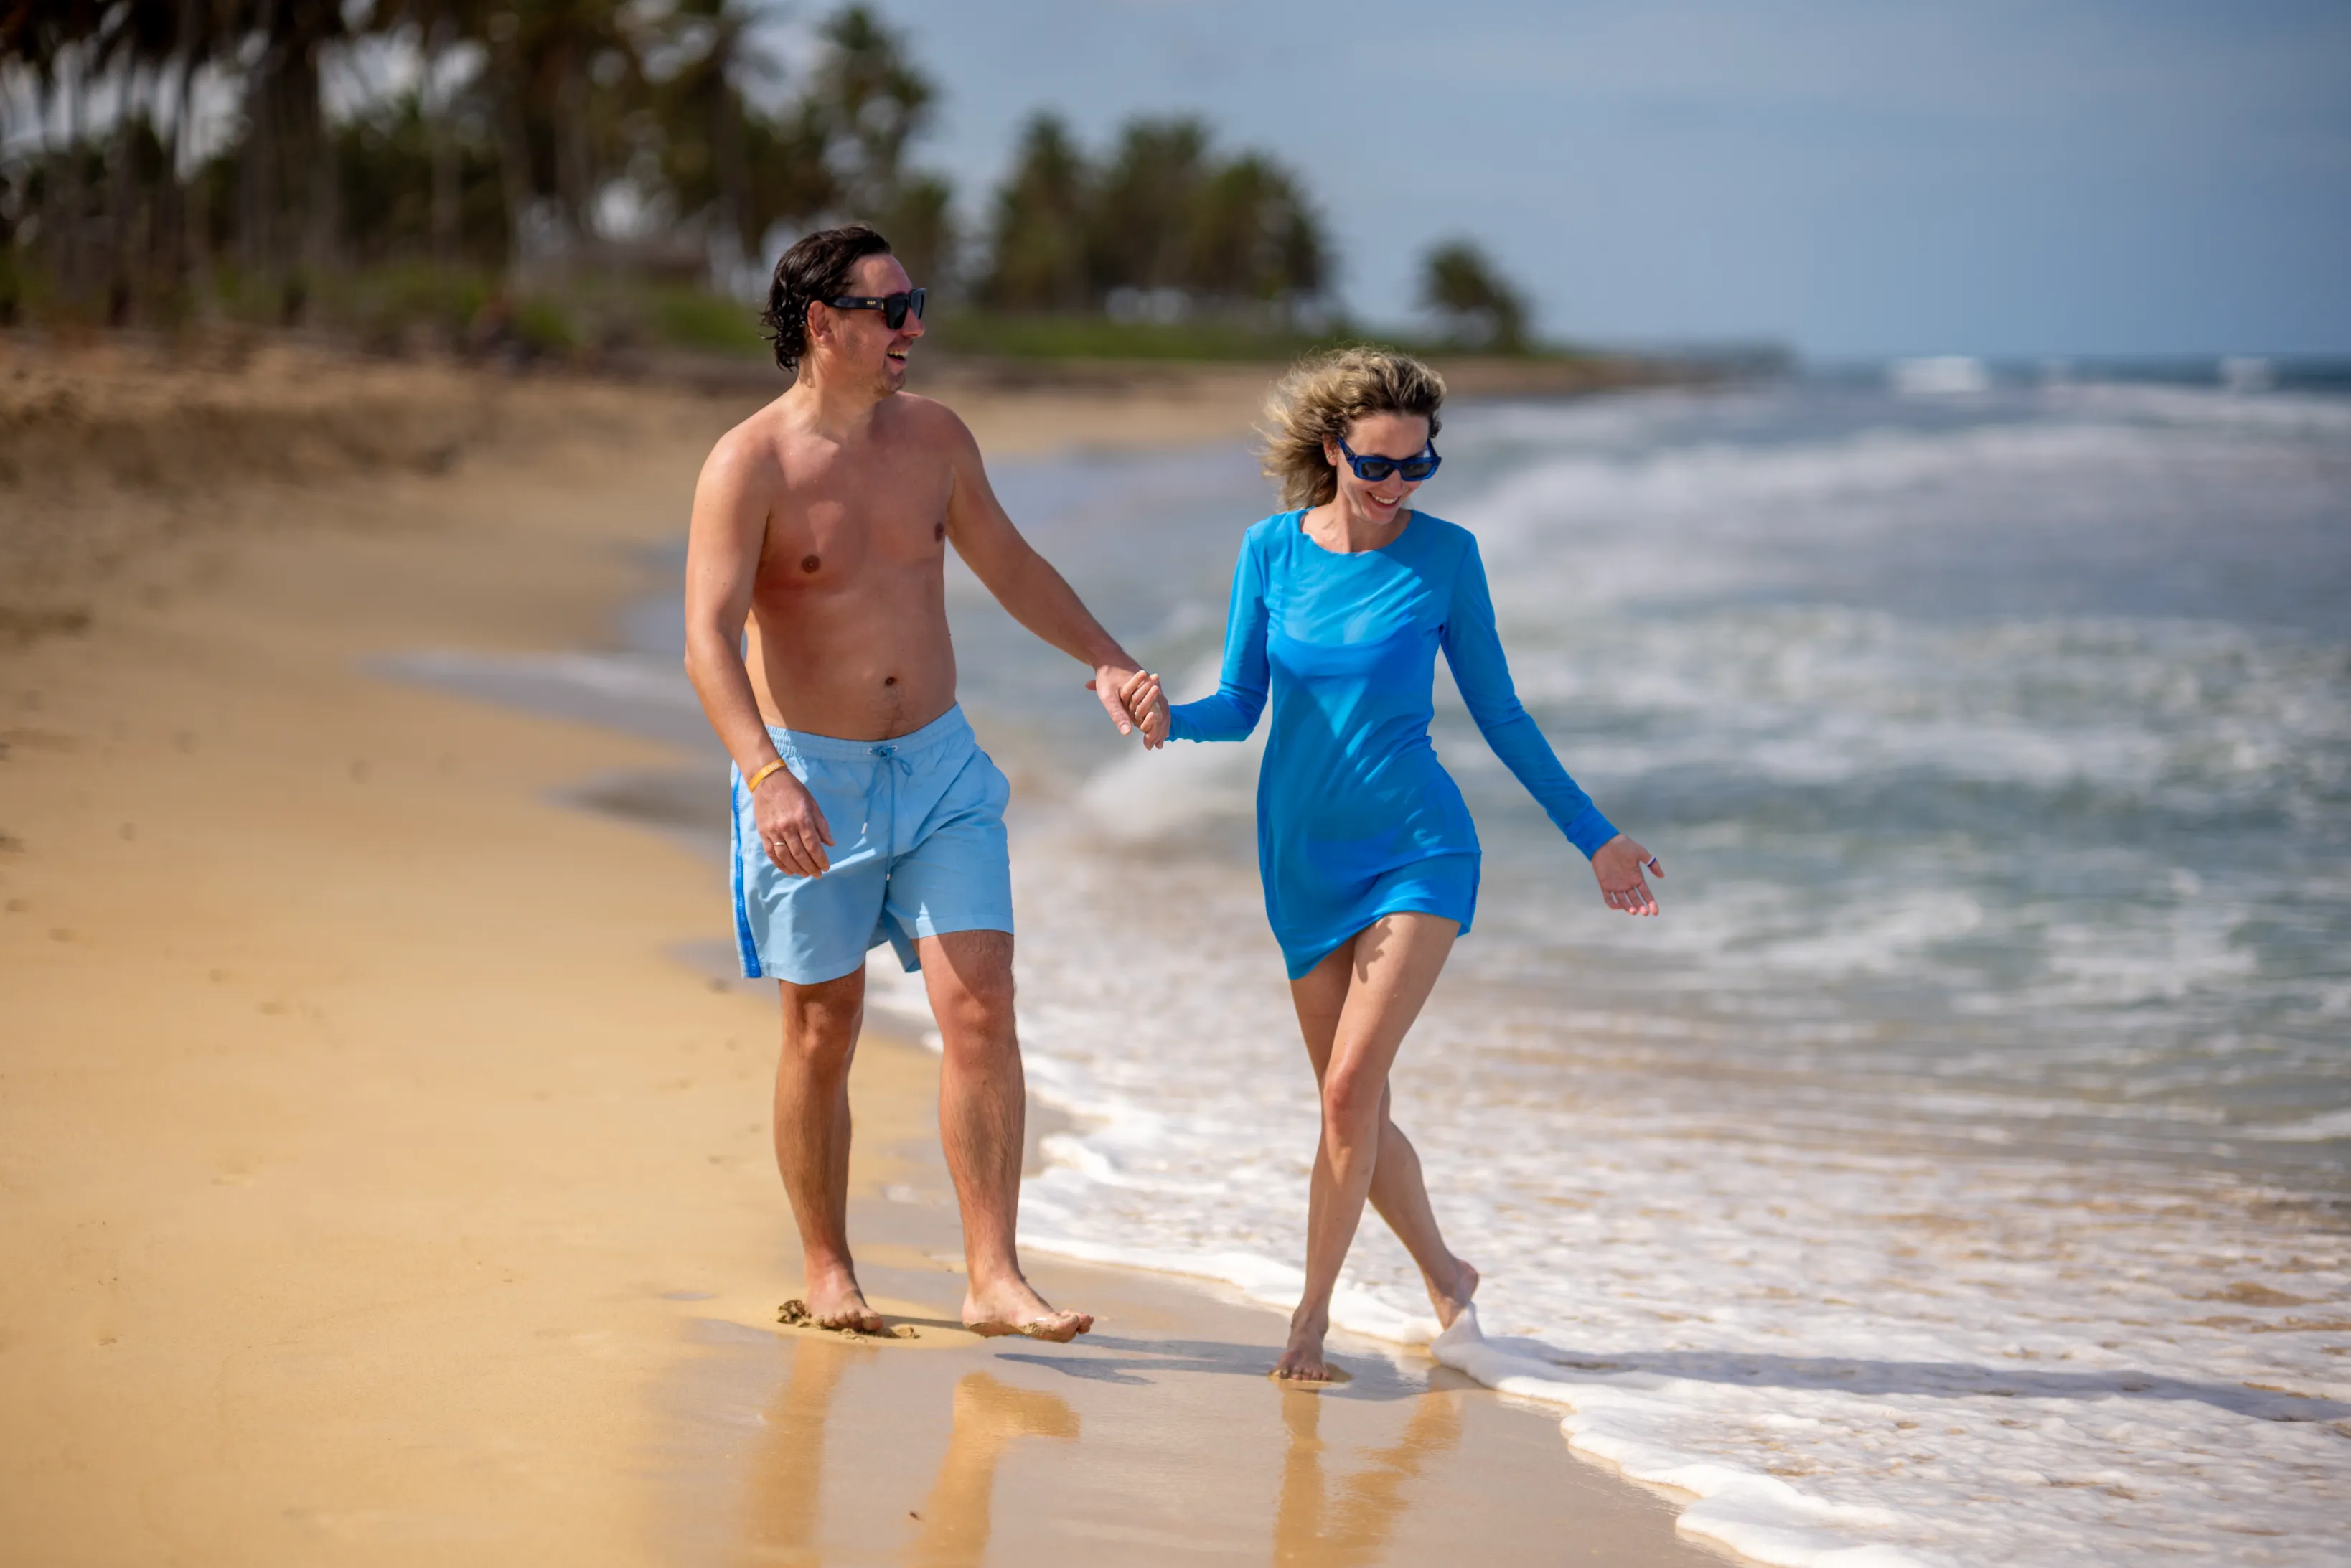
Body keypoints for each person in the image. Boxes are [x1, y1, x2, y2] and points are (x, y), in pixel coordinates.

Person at [1125, 347, 1661, 1381]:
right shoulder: (1270, 552)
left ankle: (1307, 1329)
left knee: (1345, 1094)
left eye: (1418, 467)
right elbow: (1238, 708)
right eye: (1378, 466)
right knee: (1353, 1102)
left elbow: (1499, 713)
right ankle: (1449, 1278)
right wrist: (1164, 719)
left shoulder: (1447, 558)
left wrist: (1596, 837)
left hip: (1420, 849)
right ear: (1333, 452)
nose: (1397, 487)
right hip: (1299, 862)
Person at [682, 225, 1170, 1341]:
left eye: (917, 304)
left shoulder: (938, 440)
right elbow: (709, 642)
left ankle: (993, 1276)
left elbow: (1011, 566)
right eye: (891, 309)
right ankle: (830, 1263)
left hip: (943, 766)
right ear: (824, 324)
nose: (914, 327)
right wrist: (766, 777)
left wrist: (1106, 659)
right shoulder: (748, 465)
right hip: (809, 774)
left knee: (982, 1006)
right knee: (823, 1027)